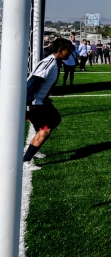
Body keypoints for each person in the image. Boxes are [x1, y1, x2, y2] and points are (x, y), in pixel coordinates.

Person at [24, 38, 74, 168]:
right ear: (60, 50)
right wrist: (28, 104)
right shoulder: (49, 63)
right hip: (35, 102)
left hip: (41, 100)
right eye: (68, 50)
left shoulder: (55, 61)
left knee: (55, 118)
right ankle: (25, 161)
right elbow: (31, 84)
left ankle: (35, 147)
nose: (70, 53)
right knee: (45, 130)